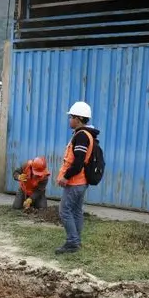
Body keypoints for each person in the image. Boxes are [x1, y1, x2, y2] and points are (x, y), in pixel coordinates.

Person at [55, 101, 100, 255]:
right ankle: (76, 240)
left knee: (64, 211)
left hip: (75, 182)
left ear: (79, 118)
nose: (69, 120)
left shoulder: (81, 136)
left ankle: (72, 242)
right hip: (81, 182)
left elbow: (78, 162)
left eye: (71, 117)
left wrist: (66, 177)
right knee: (75, 211)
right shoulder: (85, 134)